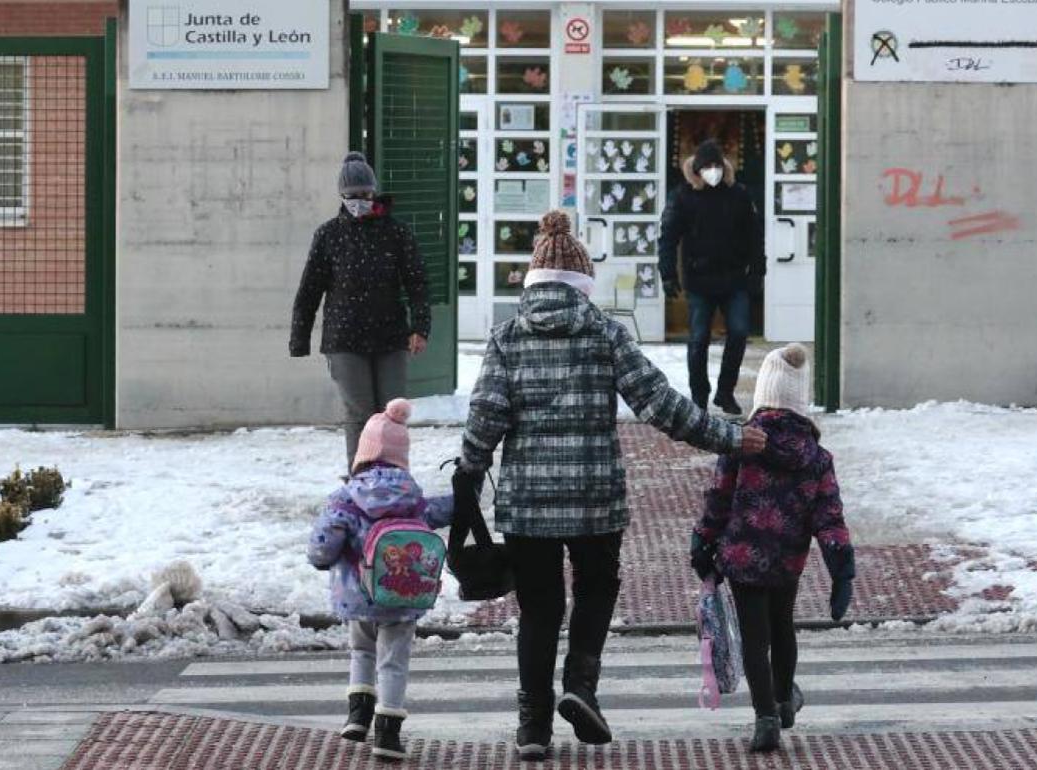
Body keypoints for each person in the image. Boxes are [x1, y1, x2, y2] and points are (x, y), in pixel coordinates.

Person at [457, 210, 769, 761]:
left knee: (539, 607)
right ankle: (581, 684)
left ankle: (532, 726)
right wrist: (729, 438)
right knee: (597, 586)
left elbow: (486, 413)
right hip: (596, 498)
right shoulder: (604, 333)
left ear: (532, 281)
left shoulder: (506, 336)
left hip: (527, 505)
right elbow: (660, 404)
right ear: (582, 285)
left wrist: (471, 466)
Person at [690, 344, 855, 753]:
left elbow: (718, 499)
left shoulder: (741, 445)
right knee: (783, 627)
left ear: (763, 393)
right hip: (787, 560)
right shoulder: (816, 457)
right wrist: (842, 570)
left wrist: (703, 541)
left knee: (754, 637)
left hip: (742, 559)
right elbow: (829, 517)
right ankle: (783, 701)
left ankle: (765, 718)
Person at [307, 398, 453, 762]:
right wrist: (463, 491)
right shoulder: (412, 498)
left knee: (361, 650)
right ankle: (388, 734)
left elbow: (323, 548)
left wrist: (322, 559)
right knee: (393, 662)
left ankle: (358, 715)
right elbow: (440, 512)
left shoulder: (346, 498)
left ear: (364, 452)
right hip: (402, 597)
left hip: (358, 598)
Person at [290, 151, 431, 467]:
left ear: (374, 192)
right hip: (344, 339)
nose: (359, 201)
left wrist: (420, 327)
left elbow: (417, 282)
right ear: (342, 196)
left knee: (392, 411)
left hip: (390, 336)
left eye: (365, 194)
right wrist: (299, 338)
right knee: (359, 413)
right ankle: (361, 479)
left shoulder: (396, 232)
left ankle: (394, 476)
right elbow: (309, 290)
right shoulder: (328, 235)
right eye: (352, 196)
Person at [659, 139, 766, 415]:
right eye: (706, 166)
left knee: (740, 333)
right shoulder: (683, 197)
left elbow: (755, 237)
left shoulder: (739, 195)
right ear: (696, 169)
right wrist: (667, 274)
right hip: (699, 280)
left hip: (734, 279)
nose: (713, 171)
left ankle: (725, 392)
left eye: (717, 165)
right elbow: (668, 237)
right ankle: (699, 396)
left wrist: (757, 272)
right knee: (698, 340)